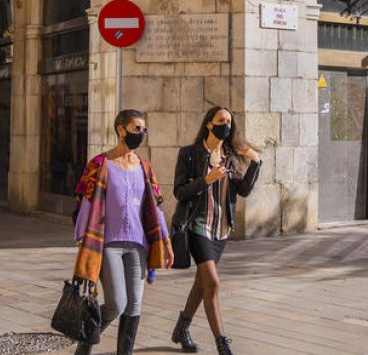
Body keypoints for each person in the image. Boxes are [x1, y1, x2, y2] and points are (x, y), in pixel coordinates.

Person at [71, 109, 174, 355]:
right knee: (116, 304)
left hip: (139, 245)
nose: (141, 134)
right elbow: (86, 202)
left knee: (134, 305)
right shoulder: (100, 164)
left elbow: (156, 206)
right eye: (136, 128)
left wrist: (166, 241)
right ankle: (85, 345)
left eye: (143, 130)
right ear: (121, 129)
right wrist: (81, 239)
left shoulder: (144, 167)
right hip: (108, 245)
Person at [170, 106, 262, 355]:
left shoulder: (230, 157)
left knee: (202, 285)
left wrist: (255, 163)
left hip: (221, 230)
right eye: (221, 120)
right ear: (209, 124)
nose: (227, 125)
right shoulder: (189, 154)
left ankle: (181, 329)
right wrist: (206, 180)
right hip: (196, 226)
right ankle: (222, 343)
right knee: (213, 282)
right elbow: (179, 191)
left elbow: (242, 191)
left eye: (229, 121)